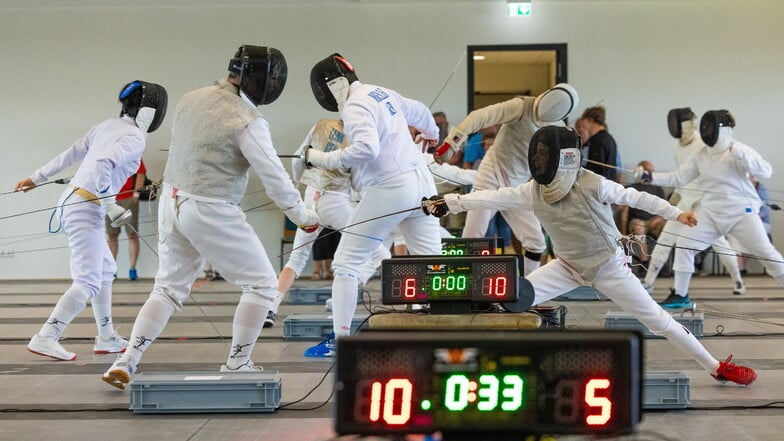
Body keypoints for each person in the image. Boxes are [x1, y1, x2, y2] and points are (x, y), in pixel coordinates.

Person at [423, 125, 757, 386]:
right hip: (566, 267)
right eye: (536, 155)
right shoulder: (533, 190)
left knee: (657, 320)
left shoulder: (592, 183)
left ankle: (716, 367)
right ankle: (475, 365)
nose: (537, 161)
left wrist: (676, 213)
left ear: (563, 157)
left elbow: (636, 197)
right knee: (510, 297)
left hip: (608, 267)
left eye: (543, 155)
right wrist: (449, 203)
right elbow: (490, 198)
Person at [101, 45, 319, 389]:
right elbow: (274, 177)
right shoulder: (248, 120)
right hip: (209, 207)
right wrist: (302, 214)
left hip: (170, 203)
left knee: (167, 290)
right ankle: (238, 364)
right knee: (263, 285)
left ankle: (127, 360)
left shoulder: (191, 98)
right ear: (260, 79)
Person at [15, 80, 168, 361]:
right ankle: (46, 336)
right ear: (149, 111)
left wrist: (37, 177)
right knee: (87, 280)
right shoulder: (134, 137)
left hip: (77, 200)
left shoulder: (108, 125)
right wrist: (111, 206)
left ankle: (107, 337)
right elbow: (101, 165)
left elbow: (72, 152)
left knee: (106, 270)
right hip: (86, 206)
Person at [302, 53, 443, 357]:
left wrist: (320, 158)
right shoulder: (381, 92)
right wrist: (433, 134)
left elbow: (366, 148)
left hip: (393, 186)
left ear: (333, 85)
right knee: (433, 264)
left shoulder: (355, 105)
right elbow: (419, 111)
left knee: (345, 264)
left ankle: (339, 343)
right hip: (423, 184)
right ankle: (440, 336)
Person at [434, 84, 579, 276]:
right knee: (473, 234)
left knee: (535, 241)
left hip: (518, 185)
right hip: (491, 173)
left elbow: (563, 166)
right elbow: (480, 117)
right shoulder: (520, 106)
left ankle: (531, 288)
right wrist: (452, 142)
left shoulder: (557, 129)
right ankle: (461, 285)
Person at [645, 109, 784, 309]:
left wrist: (741, 156)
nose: (707, 131)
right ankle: (680, 294)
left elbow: (766, 171)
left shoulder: (739, 150)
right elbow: (679, 177)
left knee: (767, 254)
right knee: (685, 244)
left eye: (711, 127)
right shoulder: (700, 155)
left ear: (723, 130)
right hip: (710, 213)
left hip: (741, 213)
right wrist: (651, 177)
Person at [641, 108, 745, 299]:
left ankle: (738, 279)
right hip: (686, 202)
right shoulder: (677, 148)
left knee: (718, 242)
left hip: (703, 203)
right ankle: (647, 283)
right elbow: (681, 178)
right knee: (666, 239)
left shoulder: (703, 144)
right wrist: (671, 202)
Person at [619, 160, 667, 276]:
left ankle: (661, 264)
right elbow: (624, 211)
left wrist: (658, 218)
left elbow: (665, 209)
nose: (650, 174)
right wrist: (623, 233)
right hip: (637, 222)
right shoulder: (631, 188)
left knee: (668, 227)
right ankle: (645, 263)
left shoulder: (658, 189)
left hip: (654, 222)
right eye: (647, 171)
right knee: (638, 225)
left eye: (651, 171)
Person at [105, 159, 147, 281]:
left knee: (132, 234)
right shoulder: (108, 155)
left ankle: (132, 269)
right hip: (111, 199)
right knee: (112, 235)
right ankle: (112, 271)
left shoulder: (133, 152)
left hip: (129, 198)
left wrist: (136, 195)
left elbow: (141, 173)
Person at [580, 106, 618, 182]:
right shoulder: (610, 138)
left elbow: (596, 170)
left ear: (590, 120)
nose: (582, 126)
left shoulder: (597, 140)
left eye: (583, 120)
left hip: (599, 188)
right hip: (609, 185)